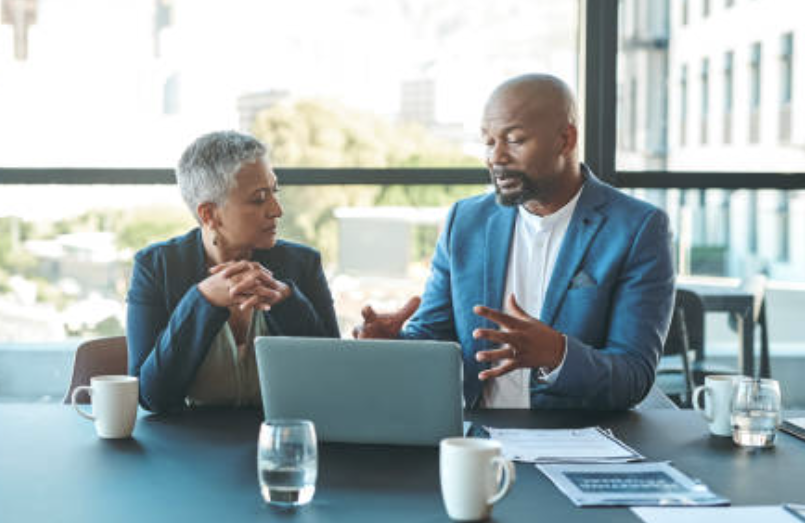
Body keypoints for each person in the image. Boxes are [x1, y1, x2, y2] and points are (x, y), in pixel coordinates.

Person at [355, 73, 675, 410]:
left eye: (515, 140)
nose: (496, 158)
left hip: (575, 439)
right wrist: (392, 347)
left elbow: (634, 376)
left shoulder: (638, 228)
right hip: (476, 436)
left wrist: (558, 355)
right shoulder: (464, 222)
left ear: (565, 140)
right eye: (489, 141)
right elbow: (434, 338)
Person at [127, 131, 339, 413]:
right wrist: (201, 301)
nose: (277, 210)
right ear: (209, 215)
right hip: (190, 446)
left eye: (274, 192)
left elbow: (332, 377)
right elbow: (151, 397)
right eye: (259, 198)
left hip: (283, 438)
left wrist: (288, 302)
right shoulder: (155, 268)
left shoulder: (303, 265)